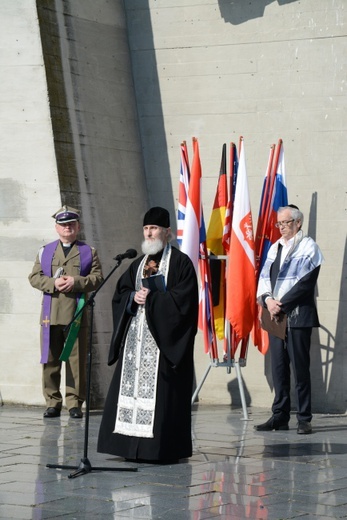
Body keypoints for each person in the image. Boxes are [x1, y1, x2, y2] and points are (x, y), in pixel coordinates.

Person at [97, 206, 199, 463]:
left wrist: (153, 298)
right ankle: (127, 446)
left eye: (154, 228)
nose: (149, 233)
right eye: (146, 228)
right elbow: (120, 295)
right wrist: (133, 297)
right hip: (136, 341)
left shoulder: (180, 263)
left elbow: (184, 303)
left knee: (162, 396)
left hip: (162, 344)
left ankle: (157, 449)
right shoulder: (136, 264)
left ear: (166, 232)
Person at [29, 205, 103, 419]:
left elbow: (98, 277)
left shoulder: (89, 252)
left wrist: (76, 281)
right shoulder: (45, 251)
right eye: (63, 225)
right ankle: (53, 402)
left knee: (76, 361)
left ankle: (74, 404)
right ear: (56, 228)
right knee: (49, 360)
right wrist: (52, 283)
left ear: (78, 226)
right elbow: (34, 277)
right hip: (50, 315)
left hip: (76, 315)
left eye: (71, 224)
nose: (67, 228)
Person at [255, 204, 324, 434]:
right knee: (278, 368)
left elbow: (305, 284)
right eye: (279, 223)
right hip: (275, 315)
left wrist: (280, 305)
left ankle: (304, 418)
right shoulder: (275, 248)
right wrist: (267, 301)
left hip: (297, 316)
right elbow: (264, 278)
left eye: (286, 222)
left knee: (300, 368)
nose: (281, 227)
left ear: (298, 223)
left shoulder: (309, 247)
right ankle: (279, 416)